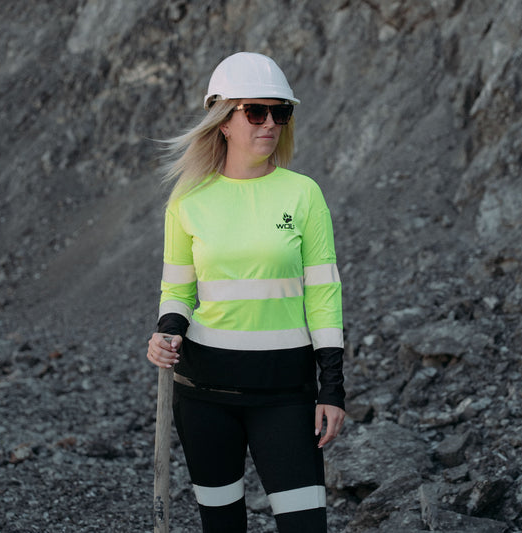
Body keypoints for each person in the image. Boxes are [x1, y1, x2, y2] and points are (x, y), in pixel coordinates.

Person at [147, 51, 345, 533]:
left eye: (282, 112)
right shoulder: (188, 202)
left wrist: (333, 387)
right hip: (203, 395)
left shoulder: (304, 194)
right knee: (223, 528)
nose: (271, 123)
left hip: (286, 395)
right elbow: (177, 289)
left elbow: (323, 295)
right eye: (256, 111)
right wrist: (166, 330)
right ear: (223, 121)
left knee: (305, 527)